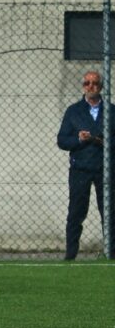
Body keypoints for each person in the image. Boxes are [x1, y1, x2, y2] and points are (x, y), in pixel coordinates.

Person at [57, 70, 113, 260]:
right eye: (87, 83)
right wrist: (79, 140)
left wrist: (101, 140)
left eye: (95, 83)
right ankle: (70, 254)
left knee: (109, 212)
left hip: (105, 169)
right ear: (83, 86)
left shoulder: (111, 111)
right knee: (76, 212)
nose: (91, 87)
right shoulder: (74, 111)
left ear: (101, 87)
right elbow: (62, 140)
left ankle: (111, 253)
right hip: (80, 168)